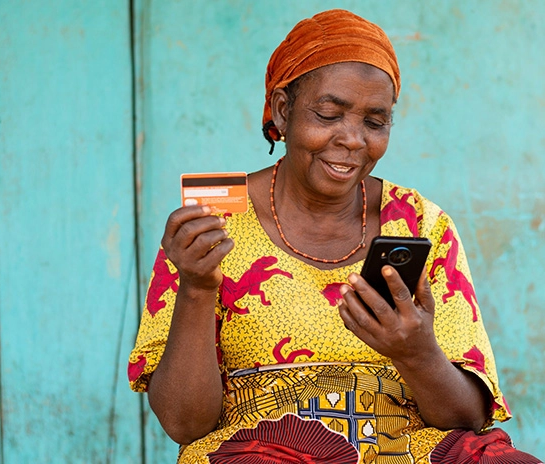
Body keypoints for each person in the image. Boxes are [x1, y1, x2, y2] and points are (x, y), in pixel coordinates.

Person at [128, 9, 542, 464]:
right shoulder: (211, 225)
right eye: (328, 114)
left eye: (375, 122)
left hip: (404, 449)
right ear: (283, 111)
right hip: (262, 450)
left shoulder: (421, 224)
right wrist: (197, 288)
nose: (352, 140)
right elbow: (184, 426)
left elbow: (467, 421)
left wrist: (418, 353)